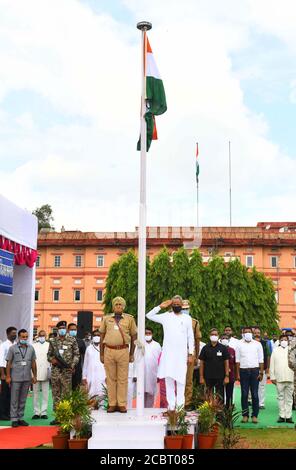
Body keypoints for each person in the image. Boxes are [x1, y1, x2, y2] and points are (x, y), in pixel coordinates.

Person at [146, 295, 194, 411]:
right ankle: (171, 408)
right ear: (171, 305)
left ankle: (180, 409)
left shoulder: (187, 318)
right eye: (174, 304)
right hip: (168, 355)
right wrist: (160, 306)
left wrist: (191, 353)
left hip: (181, 355)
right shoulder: (166, 316)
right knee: (169, 382)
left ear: (182, 305)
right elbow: (149, 316)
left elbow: (190, 337)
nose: (176, 306)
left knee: (181, 382)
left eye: (178, 304)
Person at [100, 296, 137, 413]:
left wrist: (131, 354)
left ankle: (121, 404)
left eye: (120, 305)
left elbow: (134, 337)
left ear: (124, 307)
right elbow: (102, 336)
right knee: (110, 379)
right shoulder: (106, 319)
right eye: (116, 304)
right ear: (113, 306)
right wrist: (101, 354)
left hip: (123, 351)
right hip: (109, 350)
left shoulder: (129, 319)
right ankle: (112, 404)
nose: (118, 306)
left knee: (123, 379)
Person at [47, 320, 80, 424]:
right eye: (60, 328)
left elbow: (76, 354)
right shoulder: (53, 341)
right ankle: (57, 417)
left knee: (66, 394)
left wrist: (73, 365)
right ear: (57, 329)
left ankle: (66, 417)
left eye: (64, 328)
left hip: (67, 371)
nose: (62, 330)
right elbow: (49, 355)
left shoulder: (72, 340)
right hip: (56, 371)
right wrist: (52, 359)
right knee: (56, 394)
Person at [5, 329, 37, 427]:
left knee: (23, 399)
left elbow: (33, 363)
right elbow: (8, 363)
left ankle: (20, 418)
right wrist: (8, 376)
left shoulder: (31, 348)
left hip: (27, 378)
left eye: (26, 337)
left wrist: (35, 376)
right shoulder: (12, 348)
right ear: (19, 337)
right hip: (15, 378)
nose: (25, 338)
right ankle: (14, 419)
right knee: (14, 399)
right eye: (23, 337)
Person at [236, 326, 264, 424]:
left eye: (249, 332)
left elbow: (261, 360)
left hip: (255, 371)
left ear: (251, 333)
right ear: (243, 334)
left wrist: (261, 372)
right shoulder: (239, 344)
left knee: (255, 394)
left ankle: (255, 415)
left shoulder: (257, 344)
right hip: (243, 371)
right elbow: (237, 361)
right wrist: (238, 374)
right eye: (245, 332)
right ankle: (245, 415)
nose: (247, 333)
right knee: (244, 394)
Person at [199, 328, 230, 402]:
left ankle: (220, 412)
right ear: (209, 336)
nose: (214, 336)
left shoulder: (223, 348)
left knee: (220, 397)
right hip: (208, 376)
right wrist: (201, 377)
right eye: (212, 334)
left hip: (220, 377)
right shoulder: (205, 348)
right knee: (208, 396)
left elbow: (226, 362)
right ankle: (208, 412)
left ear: (218, 336)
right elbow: (201, 363)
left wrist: (227, 376)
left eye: (215, 334)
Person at [182, 300, 201, 411]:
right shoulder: (175, 320)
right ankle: (177, 402)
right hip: (178, 354)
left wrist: (196, 356)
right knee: (178, 378)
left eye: (186, 309)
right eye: (183, 309)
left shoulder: (194, 322)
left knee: (189, 379)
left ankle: (187, 402)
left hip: (189, 353)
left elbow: (197, 340)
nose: (185, 311)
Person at [270, 334, 294, 423]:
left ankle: (288, 416)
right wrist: (272, 376)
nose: (284, 341)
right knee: (280, 397)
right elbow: (272, 364)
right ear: (279, 341)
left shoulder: (292, 350)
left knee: (289, 398)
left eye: (285, 340)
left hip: (290, 377)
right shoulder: (275, 351)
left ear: (288, 341)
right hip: (279, 377)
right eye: (282, 340)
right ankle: (281, 415)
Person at [32, 330, 50, 419]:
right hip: (35, 372)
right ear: (38, 336)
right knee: (35, 393)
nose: (42, 337)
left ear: (46, 336)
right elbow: (31, 360)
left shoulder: (49, 345)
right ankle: (36, 412)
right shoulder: (33, 345)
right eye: (40, 335)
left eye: (43, 335)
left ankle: (43, 412)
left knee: (45, 393)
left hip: (46, 372)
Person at [0, 326, 17, 420]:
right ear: (8, 334)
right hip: (5, 372)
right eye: (13, 333)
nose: (14, 335)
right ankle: (2, 414)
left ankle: (9, 413)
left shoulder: (16, 344)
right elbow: (1, 360)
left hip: (14, 372)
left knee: (11, 394)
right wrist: (3, 374)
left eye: (15, 333)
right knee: (4, 394)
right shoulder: (3, 345)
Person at [82, 330, 106, 398]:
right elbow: (85, 364)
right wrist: (84, 377)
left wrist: (108, 376)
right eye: (95, 335)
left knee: (102, 396)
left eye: (98, 335)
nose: (96, 337)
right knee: (90, 397)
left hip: (102, 376)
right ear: (92, 337)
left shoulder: (105, 348)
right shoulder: (89, 348)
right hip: (90, 376)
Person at [143, 327, 161, 408]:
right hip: (142, 373)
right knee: (141, 392)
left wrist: (159, 374)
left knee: (151, 393)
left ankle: (149, 410)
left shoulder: (157, 345)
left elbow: (160, 360)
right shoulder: (140, 344)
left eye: (149, 333)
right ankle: (141, 409)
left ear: (152, 334)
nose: (147, 335)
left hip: (153, 373)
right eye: (146, 333)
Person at [253, 326, 271, 410]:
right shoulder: (250, 343)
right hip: (252, 368)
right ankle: (253, 402)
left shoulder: (265, 343)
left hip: (263, 368)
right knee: (252, 386)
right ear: (253, 334)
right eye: (255, 333)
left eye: (258, 333)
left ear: (261, 334)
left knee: (262, 386)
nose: (257, 334)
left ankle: (261, 403)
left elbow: (268, 355)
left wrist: (267, 367)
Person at [67, 323, 86, 389]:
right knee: (66, 391)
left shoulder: (81, 342)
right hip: (66, 370)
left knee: (76, 391)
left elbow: (84, 357)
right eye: (71, 330)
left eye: (74, 330)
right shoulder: (64, 341)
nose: (73, 331)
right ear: (68, 330)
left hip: (77, 370)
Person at [220, 334, 236, 408]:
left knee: (229, 393)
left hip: (231, 375)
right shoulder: (218, 349)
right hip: (219, 375)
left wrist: (236, 375)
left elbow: (235, 363)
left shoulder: (232, 350)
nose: (225, 339)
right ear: (220, 340)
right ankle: (220, 408)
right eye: (223, 338)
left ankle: (229, 407)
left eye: (226, 338)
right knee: (220, 393)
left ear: (229, 340)